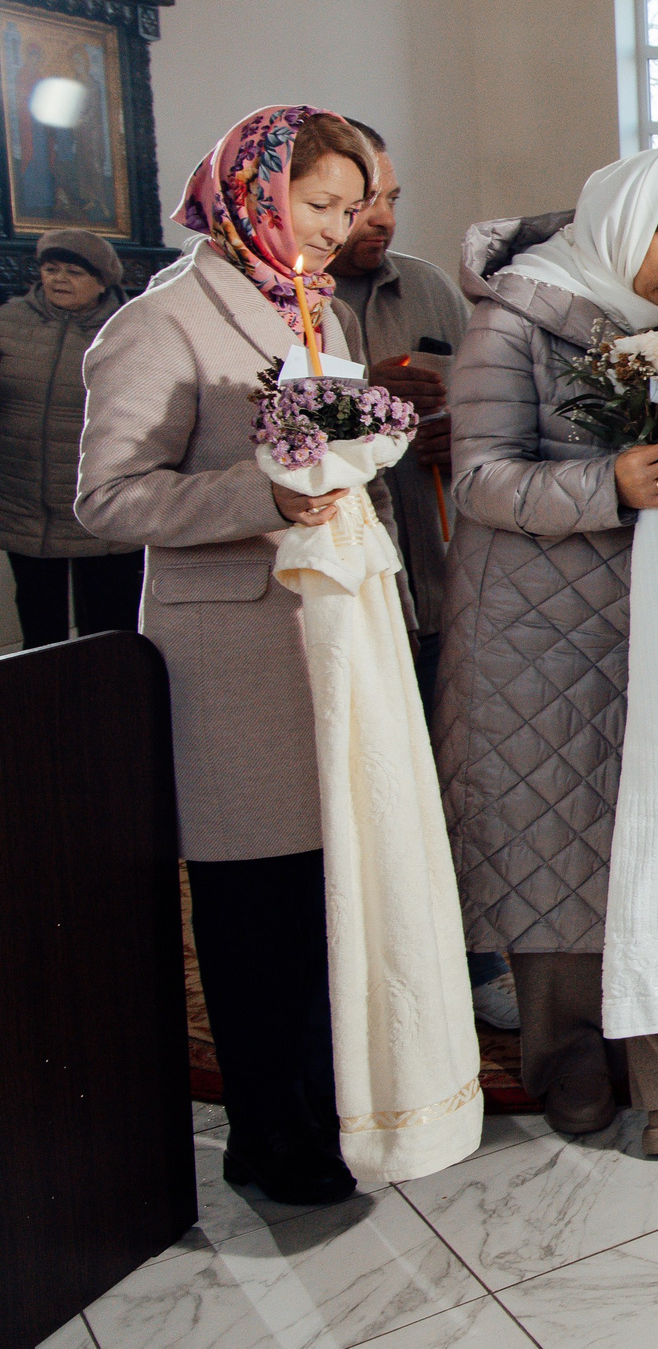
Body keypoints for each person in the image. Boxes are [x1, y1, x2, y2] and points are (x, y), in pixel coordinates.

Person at [435, 143, 658, 1157]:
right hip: (533, 631)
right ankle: (565, 1050)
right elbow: (480, 480)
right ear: (628, 231)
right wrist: (610, 487)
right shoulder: (515, 322)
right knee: (551, 832)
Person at [75, 106, 382, 1205]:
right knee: (258, 904)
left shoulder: (321, 313)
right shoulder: (159, 326)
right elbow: (108, 497)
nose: (337, 231)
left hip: (334, 629)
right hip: (231, 648)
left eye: (351, 210)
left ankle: (324, 1105)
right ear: (252, 193)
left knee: (330, 895)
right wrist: (268, 494)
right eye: (317, 206)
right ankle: (270, 1132)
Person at [327, 123, 517, 1034]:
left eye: (391, 197)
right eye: (360, 199)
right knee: (370, 795)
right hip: (346, 594)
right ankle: (384, 980)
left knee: (459, 781)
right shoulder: (292, 303)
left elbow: (487, 408)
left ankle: (478, 964)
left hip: (438, 574)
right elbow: (276, 439)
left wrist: (458, 434)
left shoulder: (432, 288)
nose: (379, 216)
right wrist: (376, 405)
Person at [1, 229, 141, 648]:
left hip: (100, 506)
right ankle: (42, 710)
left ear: (102, 280)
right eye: (50, 269)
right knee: (39, 629)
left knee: (109, 628)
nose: (58, 279)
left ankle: (113, 708)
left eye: (73, 271)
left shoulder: (130, 330)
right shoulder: (8, 323)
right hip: (25, 501)